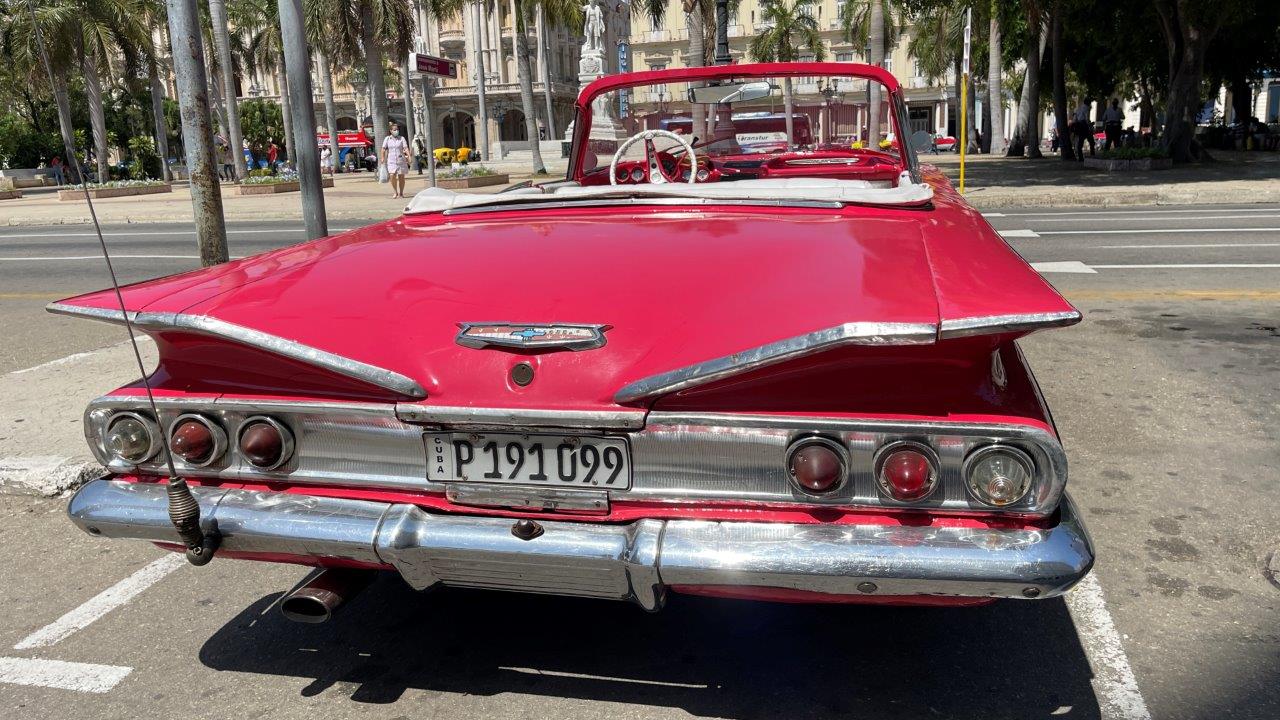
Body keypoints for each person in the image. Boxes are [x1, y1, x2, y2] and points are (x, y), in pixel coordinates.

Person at [380, 122, 410, 199]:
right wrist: (382, 157)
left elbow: (405, 148)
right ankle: (395, 192)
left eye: (397, 129)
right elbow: (383, 149)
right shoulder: (387, 139)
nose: (396, 131)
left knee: (401, 176)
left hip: (401, 160)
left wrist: (409, 156)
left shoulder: (402, 138)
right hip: (391, 160)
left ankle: (401, 192)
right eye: (394, 130)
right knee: (392, 175)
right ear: (390, 131)